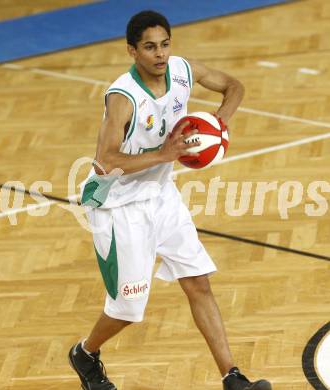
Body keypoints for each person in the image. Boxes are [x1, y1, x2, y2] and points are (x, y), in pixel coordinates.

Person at [68, 10, 271, 390]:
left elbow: (234, 87)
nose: (159, 55)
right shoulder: (122, 98)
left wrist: (218, 126)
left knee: (198, 282)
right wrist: (165, 154)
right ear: (132, 51)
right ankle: (85, 352)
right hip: (118, 206)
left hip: (162, 195)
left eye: (164, 45)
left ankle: (233, 376)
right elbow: (105, 160)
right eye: (149, 47)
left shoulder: (182, 71)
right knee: (128, 309)